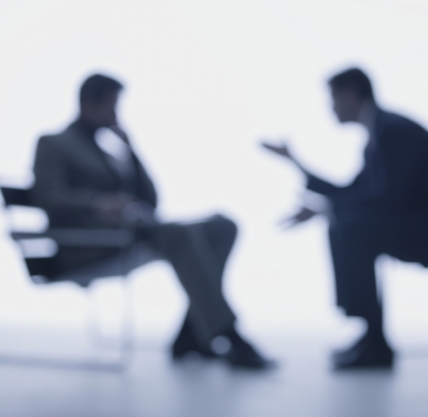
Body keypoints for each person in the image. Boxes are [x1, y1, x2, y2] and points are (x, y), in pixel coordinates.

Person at [32, 73, 273, 369]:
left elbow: (150, 200)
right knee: (177, 234)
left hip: (130, 234)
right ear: (89, 105)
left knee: (222, 226)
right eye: (112, 106)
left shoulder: (107, 152)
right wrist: (98, 203)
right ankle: (228, 334)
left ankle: (191, 334)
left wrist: (131, 151)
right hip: (87, 245)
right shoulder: (54, 143)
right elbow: (48, 196)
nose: (116, 115)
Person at [262, 67, 428, 369]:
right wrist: (294, 161)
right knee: (347, 225)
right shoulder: (379, 131)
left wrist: (326, 209)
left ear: (350, 95)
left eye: (333, 98)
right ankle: (372, 336)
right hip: (413, 225)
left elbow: (389, 197)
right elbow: (354, 191)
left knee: (351, 229)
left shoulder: (392, 130)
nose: (331, 108)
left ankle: (375, 341)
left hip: (420, 228)